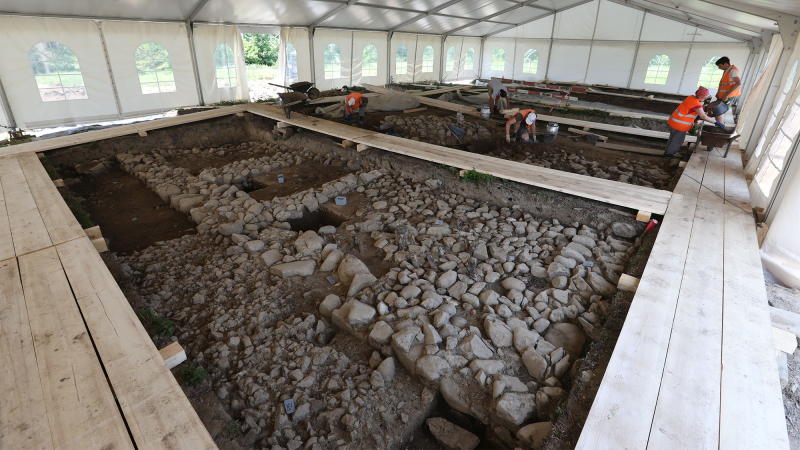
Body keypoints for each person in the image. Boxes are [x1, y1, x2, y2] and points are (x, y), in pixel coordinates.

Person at [664, 86, 723, 161]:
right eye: (705, 98)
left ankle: (667, 152)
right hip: (680, 125)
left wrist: (703, 108)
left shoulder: (691, 98)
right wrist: (716, 122)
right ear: (701, 96)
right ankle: (668, 155)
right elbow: (703, 117)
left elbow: (694, 107)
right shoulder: (696, 104)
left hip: (674, 121)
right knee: (677, 140)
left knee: (672, 138)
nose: (705, 99)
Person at [706, 56, 741, 123]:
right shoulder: (727, 70)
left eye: (720, 66)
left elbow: (738, 83)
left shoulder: (733, 70)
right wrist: (718, 94)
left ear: (725, 64)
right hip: (723, 95)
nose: (719, 68)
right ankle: (719, 125)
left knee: (718, 111)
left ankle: (719, 126)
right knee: (717, 110)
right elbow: (724, 84)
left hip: (728, 95)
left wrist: (726, 95)